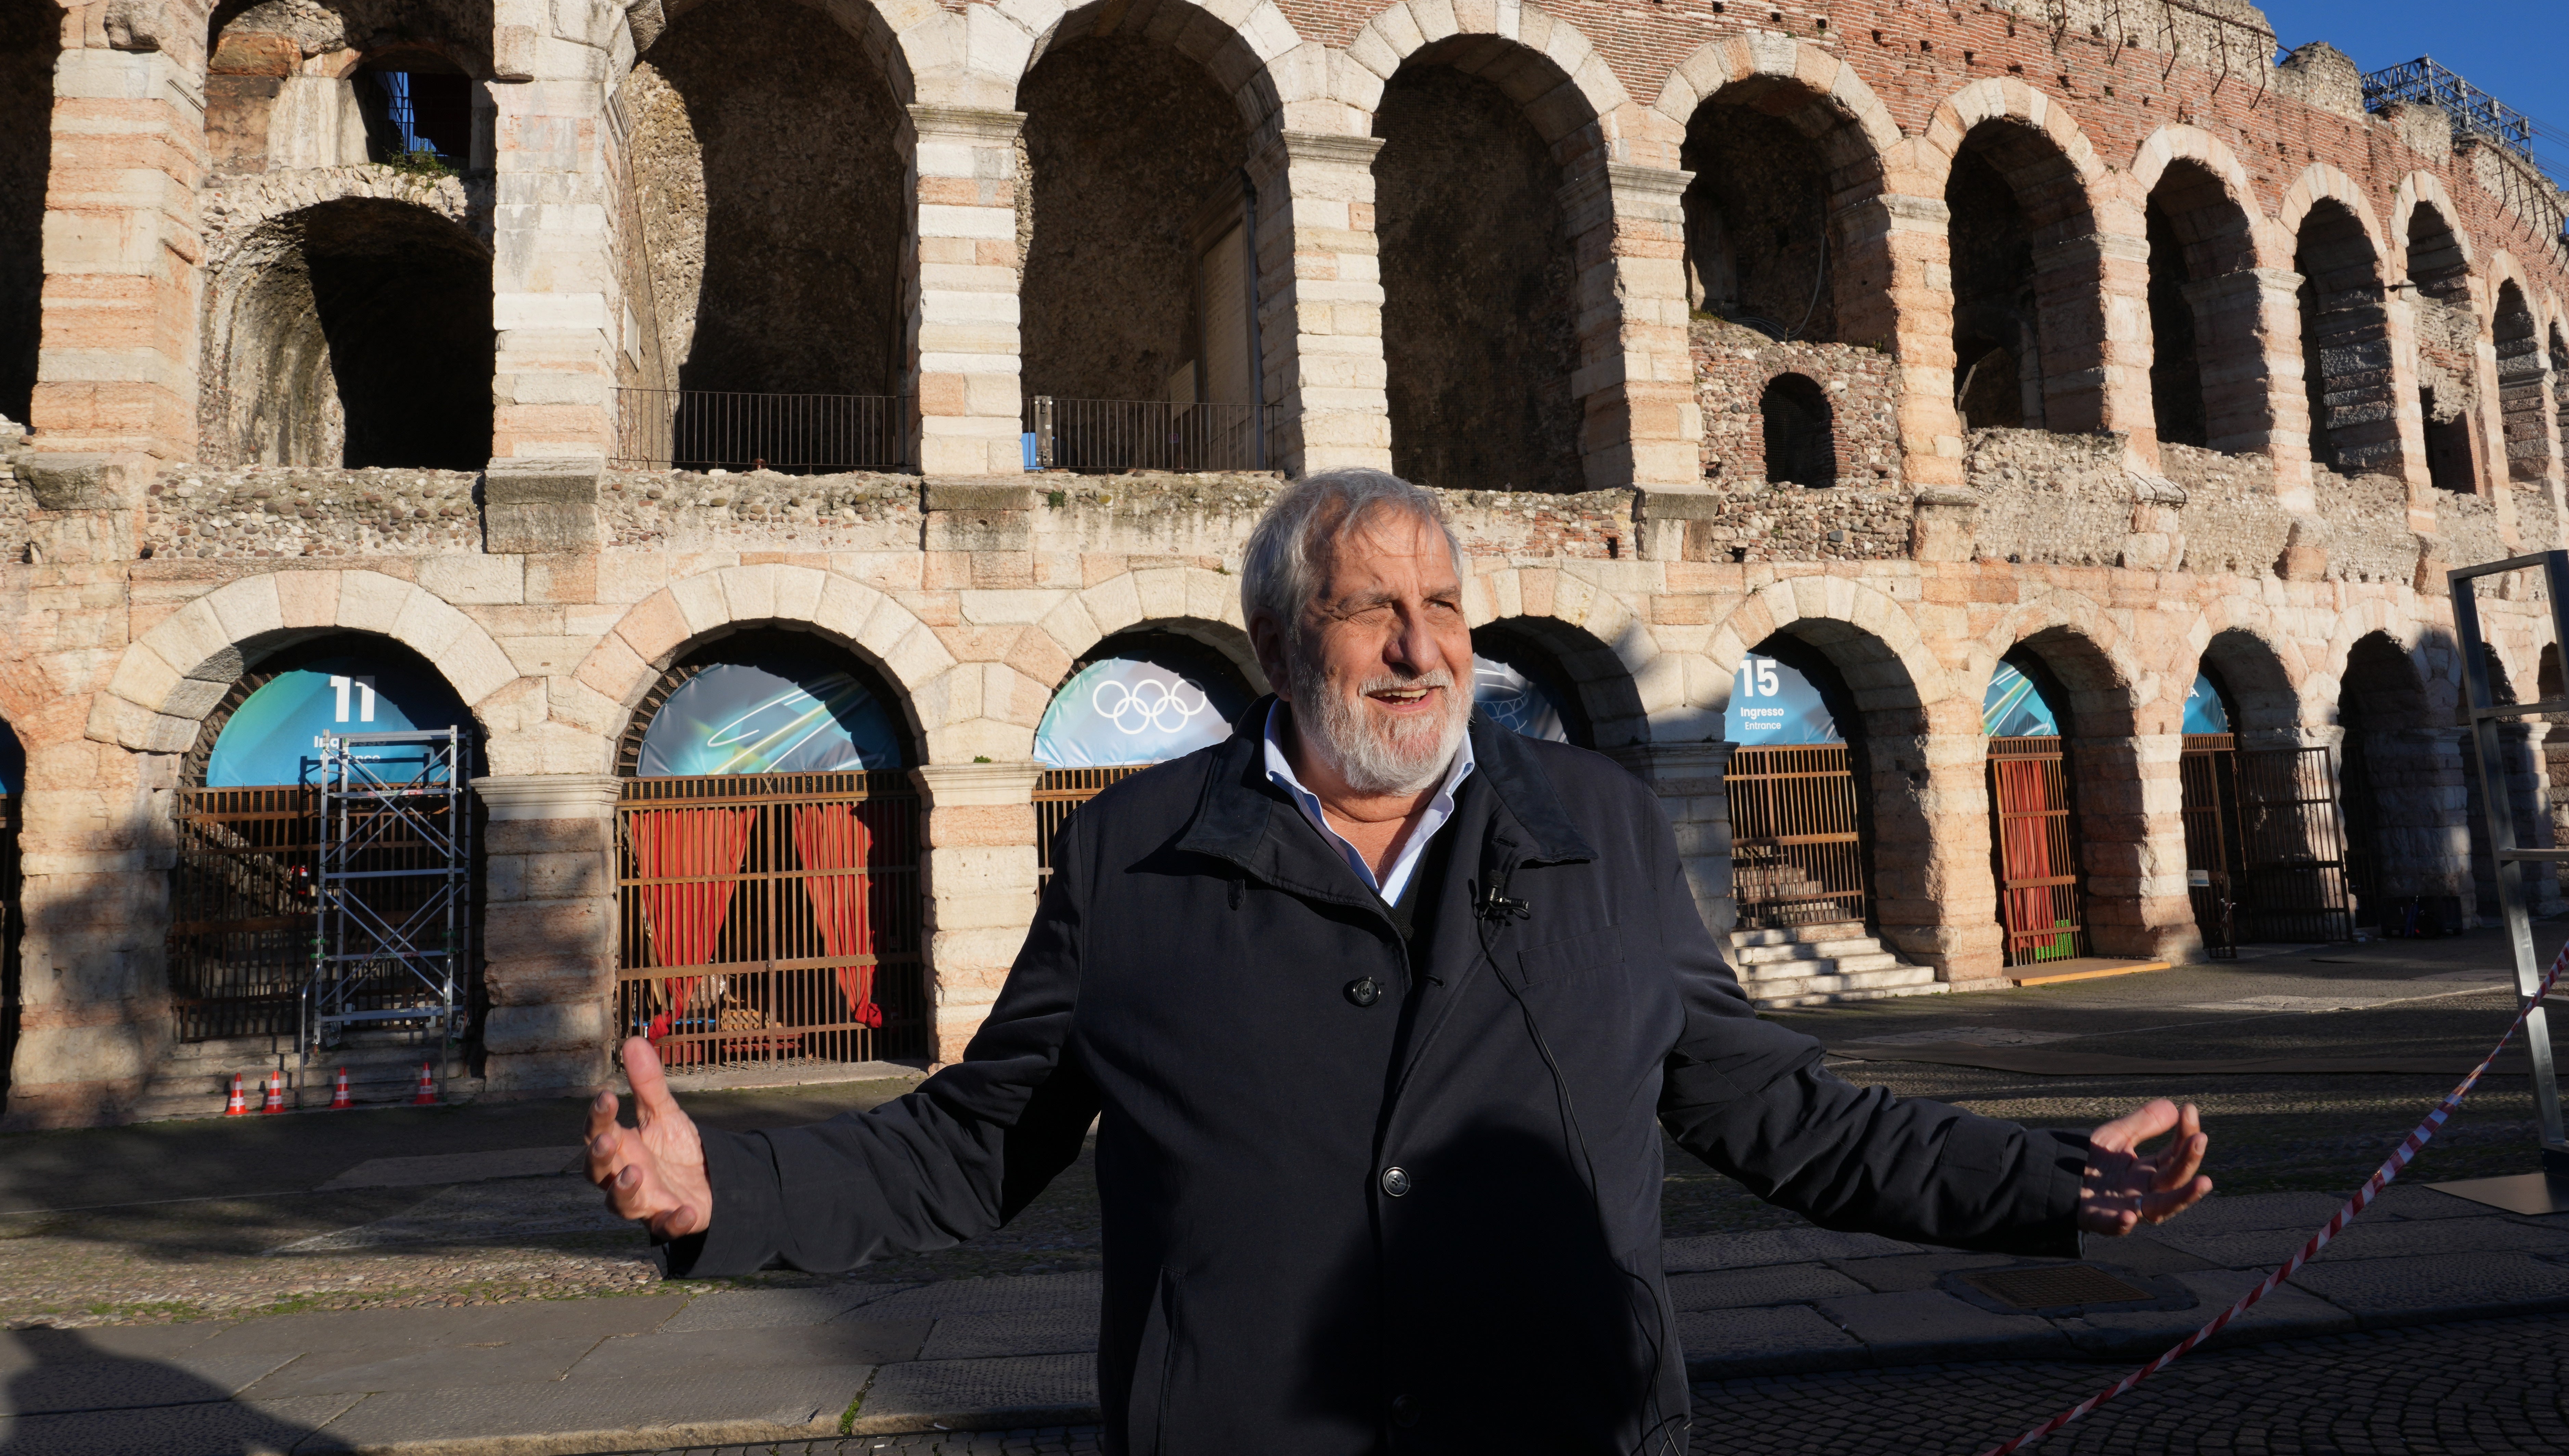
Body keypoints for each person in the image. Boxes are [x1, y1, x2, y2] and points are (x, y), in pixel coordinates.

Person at [589, 468, 2211, 1455]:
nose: (1426, 648)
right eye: (1375, 609)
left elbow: (1772, 1104)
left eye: (1443, 603)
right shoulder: (1132, 850)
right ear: (1287, 636)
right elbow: (972, 1141)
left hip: (1559, 1427)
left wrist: (2054, 1178)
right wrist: (724, 1187)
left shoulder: (1595, 822)